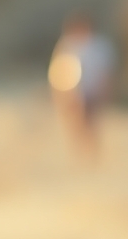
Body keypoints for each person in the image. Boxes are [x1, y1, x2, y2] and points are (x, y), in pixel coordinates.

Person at [48, 15, 116, 155]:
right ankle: (80, 149)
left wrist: (106, 89)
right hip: (73, 92)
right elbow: (59, 69)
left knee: (92, 121)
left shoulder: (99, 46)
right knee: (76, 122)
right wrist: (60, 92)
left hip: (93, 91)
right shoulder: (67, 45)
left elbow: (106, 70)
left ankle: (92, 150)